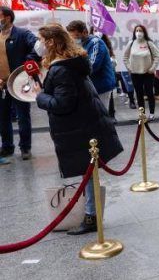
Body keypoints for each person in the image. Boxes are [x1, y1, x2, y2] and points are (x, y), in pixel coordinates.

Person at [34, 24, 123, 235]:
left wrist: (41, 96)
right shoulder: (71, 62)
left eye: (41, 40)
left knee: (88, 171)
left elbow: (63, 104)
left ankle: (91, 217)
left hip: (80, 128)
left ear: (52, 42)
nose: (39, 45)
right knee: (88, 172)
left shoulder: (62, 69)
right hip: (84, 125)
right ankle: (89, 214)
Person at [0, 6, 38, 161]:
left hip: (18, 83)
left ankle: (25, 148)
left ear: (7, 17)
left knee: (23, 116)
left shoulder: (22, 34)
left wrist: (27, 63)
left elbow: (37, 47)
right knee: (3, 117)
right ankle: (7, 147)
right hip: (1, 85)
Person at [66, 21, 116, 114]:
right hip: (89, 85)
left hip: (101, 85)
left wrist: (73, 72)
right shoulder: (78, 44)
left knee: (101, 116)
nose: (74, 39)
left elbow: (93, 65)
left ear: (85, 32)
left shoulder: (96, 43)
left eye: (76, 36)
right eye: (71, 37)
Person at [123, 25, 159, 120]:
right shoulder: (131, 43)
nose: (138, 32)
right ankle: (142, 114)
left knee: (149, 93)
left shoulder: (149, 43)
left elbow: (156, 57)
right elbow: (125, 57)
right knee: (139, 95)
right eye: (137, 30)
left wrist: (152, 68)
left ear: (144, 32)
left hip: (148, 74)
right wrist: (129, 68)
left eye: (140, 30)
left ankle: (152, 113)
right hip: (135, 74)